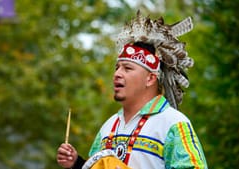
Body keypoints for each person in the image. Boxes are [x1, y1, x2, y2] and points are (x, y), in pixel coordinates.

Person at [57, 11, 208, 169]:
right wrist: (77, 164)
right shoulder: (108, 127)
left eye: (127, 68)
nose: (117, 74)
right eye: (117, 68)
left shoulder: (173, 123)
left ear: (150, 78)